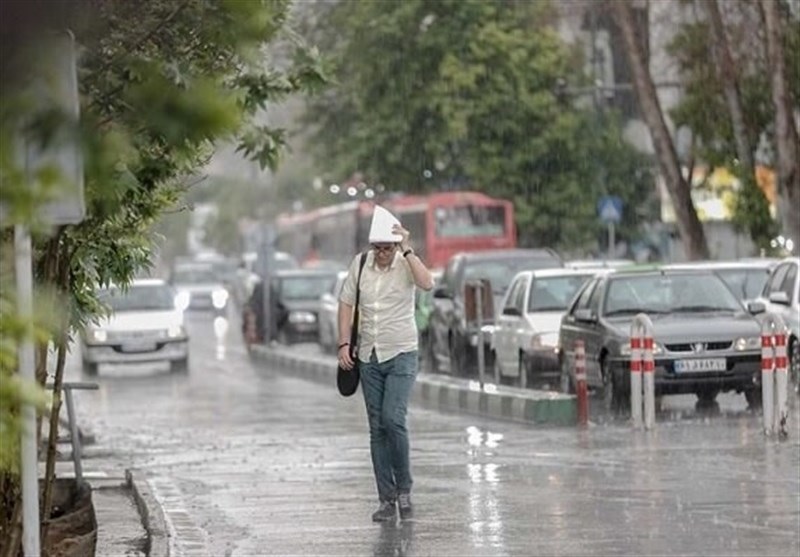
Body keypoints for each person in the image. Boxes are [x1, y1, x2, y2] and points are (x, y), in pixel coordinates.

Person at [337, 205, 434, 522]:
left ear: (395, 246)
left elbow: (427, 283)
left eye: (387, 248)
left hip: (401, 352)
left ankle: (404, 489)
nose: (381, 254)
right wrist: (344, 344)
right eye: (377, 248)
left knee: (394, 419)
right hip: (369, 356)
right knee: (377, 427)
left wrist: (407, 248)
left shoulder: (405, 263)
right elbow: (346, 303)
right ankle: (386, 499)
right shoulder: (360, 264)